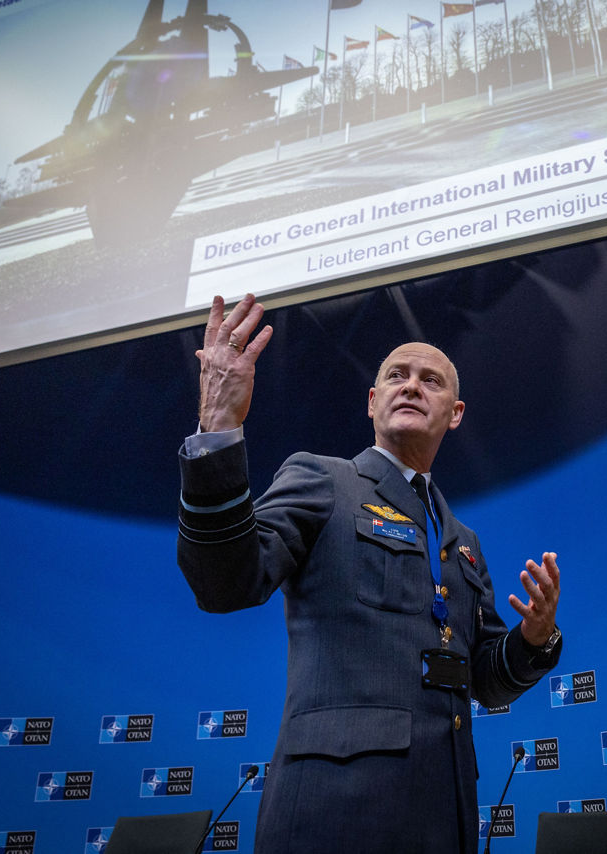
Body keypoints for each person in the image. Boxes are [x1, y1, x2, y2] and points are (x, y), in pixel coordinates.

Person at [175, 294, 563, 854]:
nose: (412, 386)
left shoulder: (462, 542)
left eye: (431, 380)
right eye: (397, 376)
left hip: (444, 811)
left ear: (455, 414)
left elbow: (483, 678)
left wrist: (534, 638)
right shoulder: (322, 480)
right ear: (372, 401)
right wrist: (217, 428)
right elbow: (227, 582)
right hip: (334, 810)